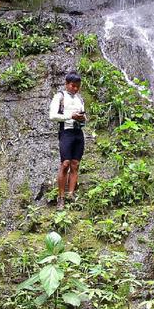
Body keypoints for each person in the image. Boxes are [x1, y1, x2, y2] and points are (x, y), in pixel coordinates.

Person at [49, 72, 86, 208]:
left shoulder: (80, 99)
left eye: (78, 86)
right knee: (65, 163)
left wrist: (82, 118)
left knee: (75, 164)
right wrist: (71, 116)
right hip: (66, 132)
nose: (75, 89)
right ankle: (61, 197)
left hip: (78, 133)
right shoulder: (60, 97)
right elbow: (52, 116)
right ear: (66, 84)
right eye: (73, 85)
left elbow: (83, 114)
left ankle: (71, 195)